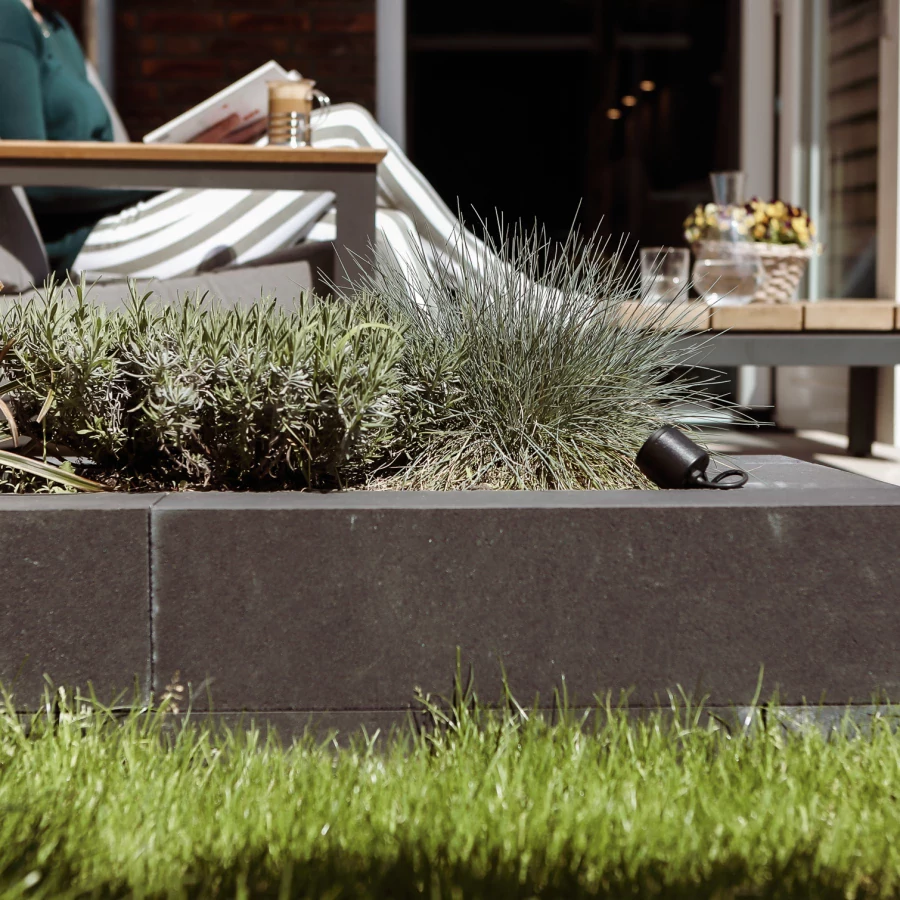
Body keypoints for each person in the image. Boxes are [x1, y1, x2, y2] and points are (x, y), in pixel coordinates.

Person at [0, 0, 472, 281]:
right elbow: (31, 175)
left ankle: (471, 401)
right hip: (89, 248)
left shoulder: (56, 26)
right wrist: (183, 155)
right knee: (344, 127)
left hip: (137, 216)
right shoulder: (7, 17)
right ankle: (528, 305)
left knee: (386, 228)